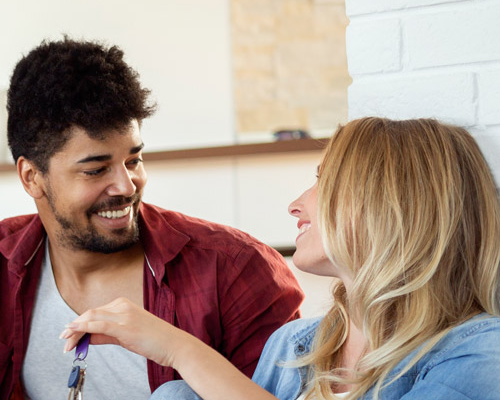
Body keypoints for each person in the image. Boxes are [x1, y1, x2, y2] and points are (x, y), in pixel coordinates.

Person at [62, 117, 500, 399]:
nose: (296, 204)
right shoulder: (294, 346)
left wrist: (180, 349)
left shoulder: (478, 354)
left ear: (394, 204)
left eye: (324, 181)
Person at [0, 37, 304, 400]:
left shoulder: (235, 269)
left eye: (133, 160)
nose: (127, 186)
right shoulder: (5, 263)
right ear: (32, 178)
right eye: (96, 170)